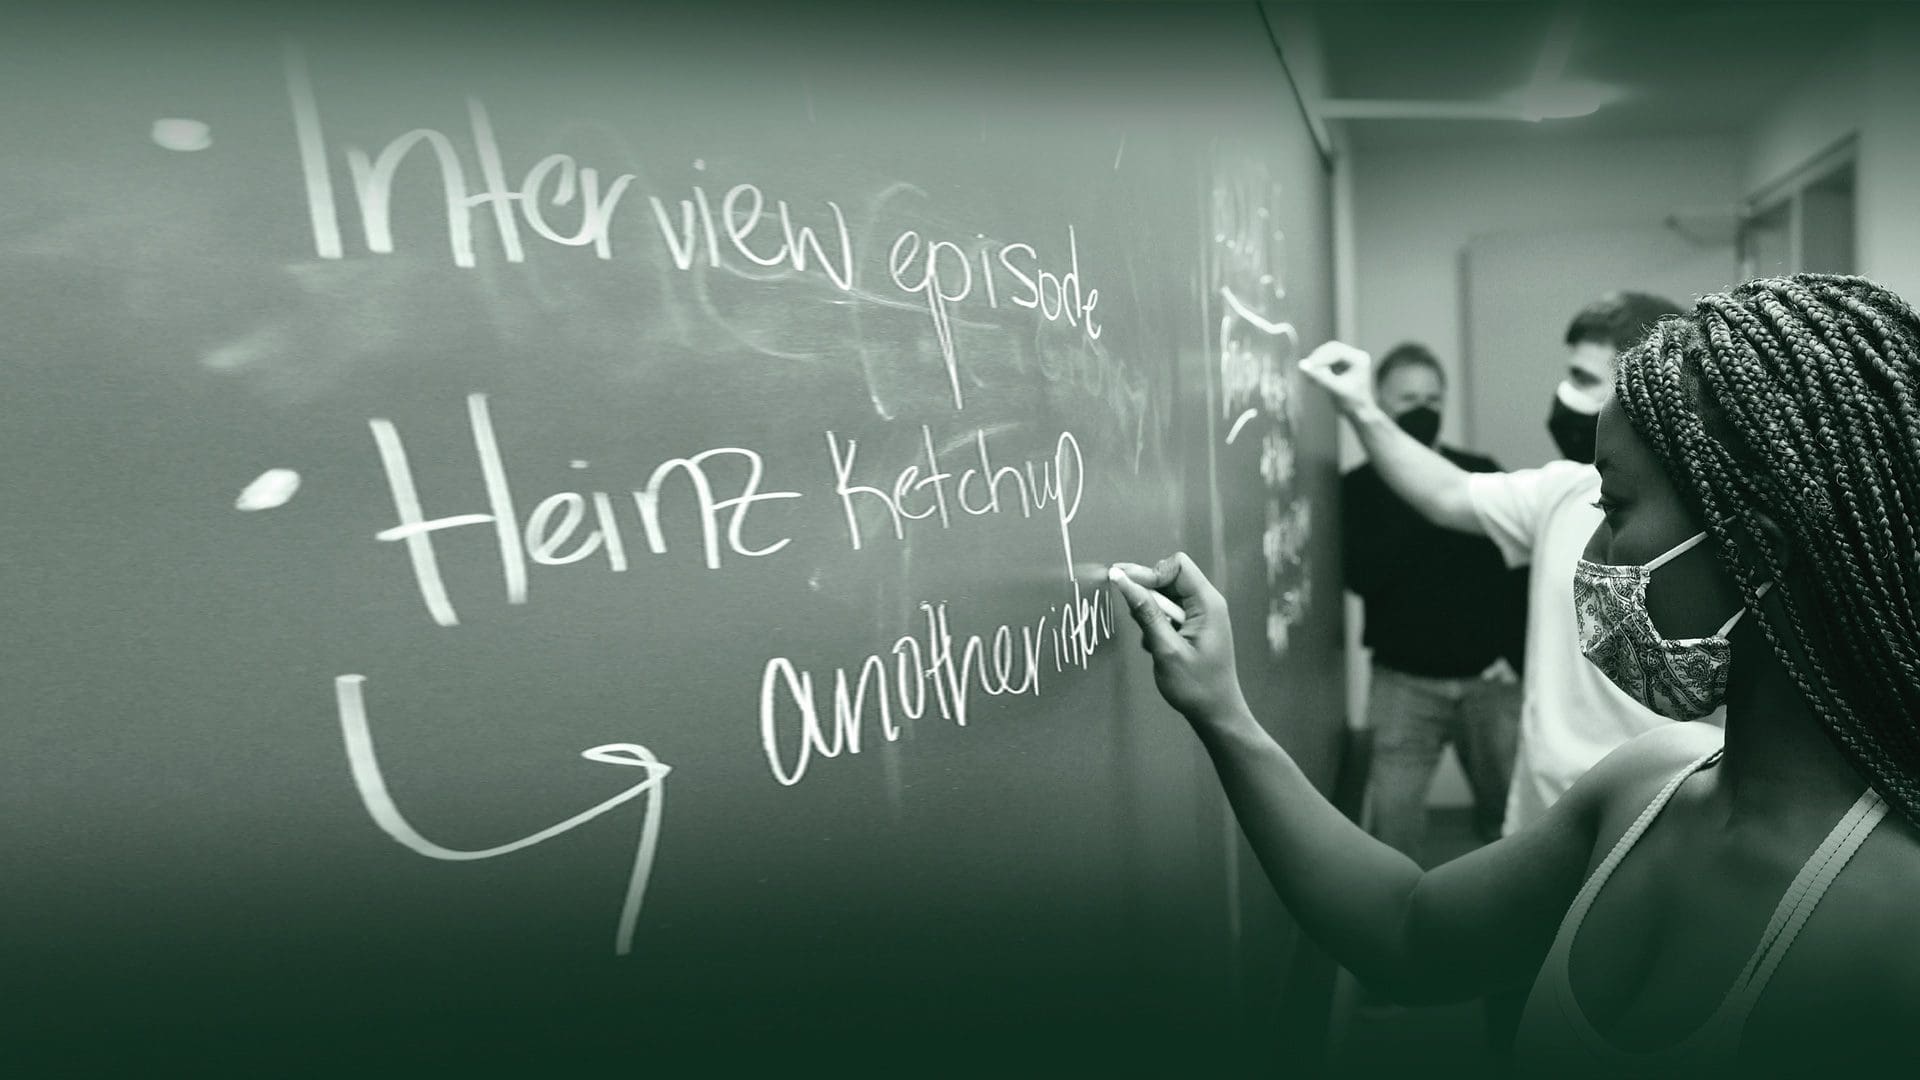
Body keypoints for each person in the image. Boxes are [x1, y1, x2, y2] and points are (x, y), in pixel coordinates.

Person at [1109, 275, 1920, 1075]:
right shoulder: (1646, 788)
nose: (1592, 558)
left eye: (1617, 509)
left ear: (1758, 551)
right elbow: (1408, 931)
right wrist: (1224, 714)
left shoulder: (1893, 933)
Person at [1308, 293, 1685, 838]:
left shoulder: (1721, 523)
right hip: (1543, 817)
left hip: (1658, 821)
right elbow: (1445, 493)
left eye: (1583, 379)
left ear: (1649, 390)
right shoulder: (1561, 490)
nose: (1565, 397)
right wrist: (1360, 408)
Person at [1343, 342, 1526, 862]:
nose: (1422, 407)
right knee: (1391, 831)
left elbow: (1513, 575)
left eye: (1432, 396)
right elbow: (1363, 577)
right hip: (1403, 684)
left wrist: (1516, 662)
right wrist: (1415, 496)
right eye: (1407, 397)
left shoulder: (1479, 474)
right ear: (1379, 401)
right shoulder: (1356, 490)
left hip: (1489, 684)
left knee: (1510, 825)